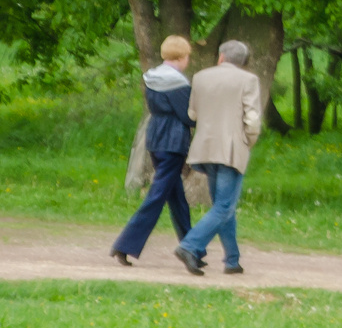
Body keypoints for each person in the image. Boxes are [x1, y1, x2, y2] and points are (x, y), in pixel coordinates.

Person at [173, 40, 263, 276]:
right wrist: (247, 143)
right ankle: (189, 246)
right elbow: (252, 121)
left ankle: (232, 260)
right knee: (224, 206)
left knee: (223, 206)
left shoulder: (201, 77)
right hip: (231, 149)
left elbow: (192, 112)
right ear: (242, 61)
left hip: (204, 147)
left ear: (221, 57)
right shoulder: (249, 81)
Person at [110, 35, 196, 264]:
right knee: (157, 196)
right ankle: (124, 244)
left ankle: (192, 247)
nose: (188, 60)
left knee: (176, 196)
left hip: (156, 136)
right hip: (173, 140)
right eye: (187, 56)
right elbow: (188, 115)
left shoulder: (152, 77)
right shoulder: (178, 82)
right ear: (181, 56)